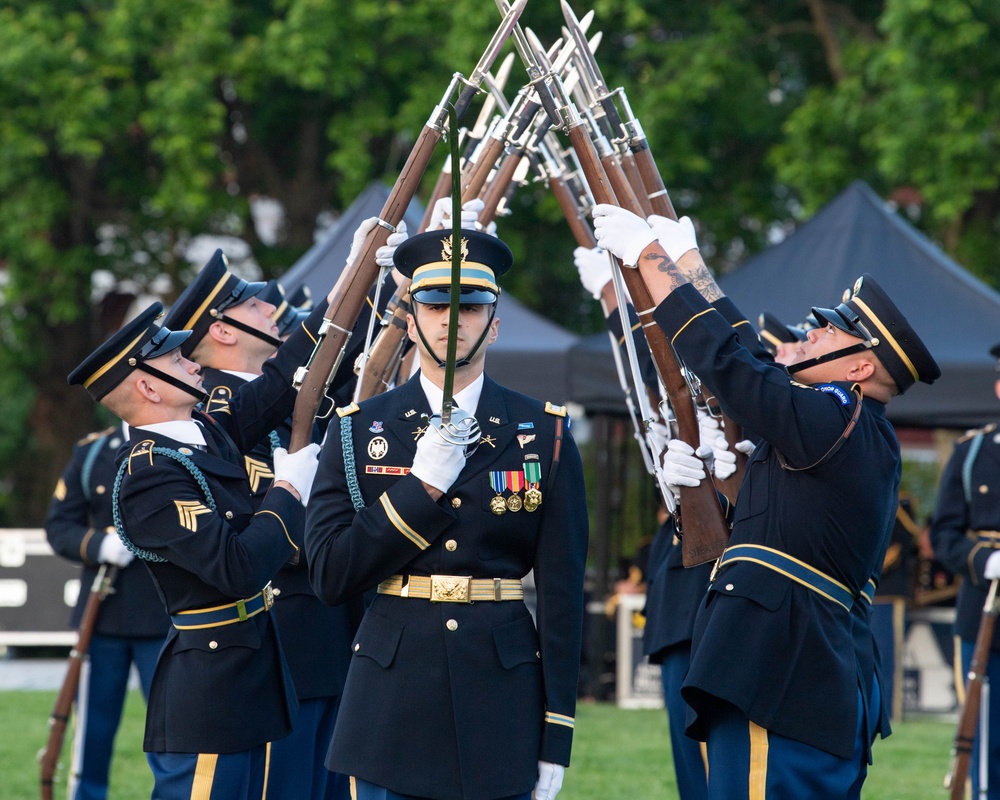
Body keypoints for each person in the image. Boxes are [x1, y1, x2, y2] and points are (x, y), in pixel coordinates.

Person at [592, 204, 940, 799]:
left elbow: (735, 366)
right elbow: (751, 359)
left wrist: (651, 260)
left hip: (784, 670)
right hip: (792, 669)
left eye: (831, 330)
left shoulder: (838, 416)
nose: (811, 334)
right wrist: (689, 266)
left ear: (859, 365)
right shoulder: (844, 424)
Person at [305, 225, 589, 800]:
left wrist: (556, 730)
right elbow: (331, 574)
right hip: (392, 690)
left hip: (500, 691)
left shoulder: (545, 432)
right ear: (410, 321)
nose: (451, 320)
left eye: (471, 306)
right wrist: (420, 488)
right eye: (435, 305)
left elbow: (562, 594)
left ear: (494, 323)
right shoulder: (360, 429)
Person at [66, 254, 328, 799]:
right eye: (170, 357)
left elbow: (284, 381)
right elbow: (236, 567)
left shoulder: (205, 433)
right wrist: (288, 490)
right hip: (210, 690)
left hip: (252, 668)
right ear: (150, 388)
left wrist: (366, 280)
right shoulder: (150, 474)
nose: (190, 361)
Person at [44, 422, 169, 800]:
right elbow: (59, 524)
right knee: (92, 735)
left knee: (172, 735)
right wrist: (98, 545)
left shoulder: (182, 443)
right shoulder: (94, 451)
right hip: (102, 618)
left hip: (165, 616)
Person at [929, 341, 1000, 799]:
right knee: (986, 737)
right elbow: (944, 534)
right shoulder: (972, 451)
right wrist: (987, 560)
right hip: (985, 614)